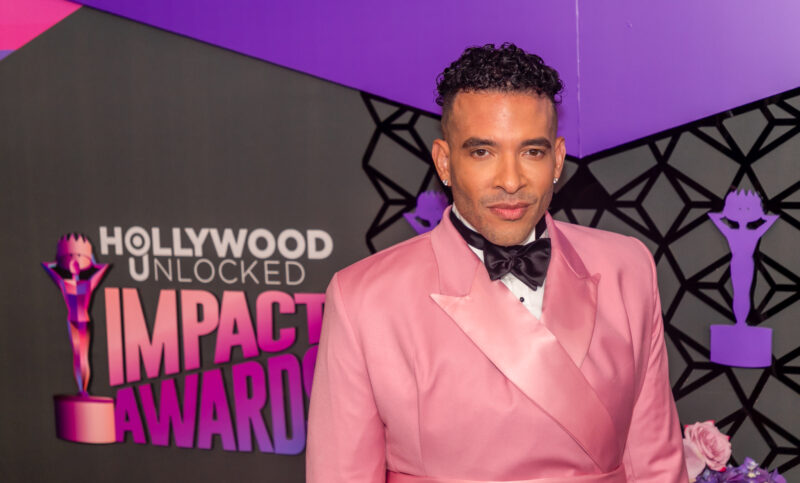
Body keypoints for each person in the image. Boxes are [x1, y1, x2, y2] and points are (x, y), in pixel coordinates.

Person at [307, 43, 687, 482]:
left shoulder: (628, 269)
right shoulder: (364, 299)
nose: (510, 181)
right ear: (444, 162)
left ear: (558, 159)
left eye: (532, 152)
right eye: (482, 152)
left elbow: (656, 463)